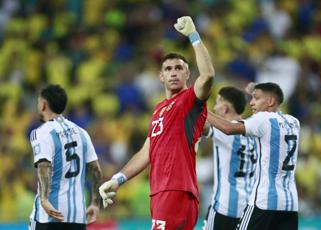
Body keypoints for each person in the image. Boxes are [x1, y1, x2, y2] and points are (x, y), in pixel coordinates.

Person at [99, 16, 215, 230]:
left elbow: (207, 75)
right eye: (168, 69)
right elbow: (147, 152)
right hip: (162, 192)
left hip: (175, 190)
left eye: (179, 68)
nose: (173, 73)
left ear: (188, 74)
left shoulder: (189, 101)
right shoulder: (158, 111)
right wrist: (118, 179)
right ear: (160, 77)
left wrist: (193, 36)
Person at [207, 82, 299, 230]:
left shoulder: (263, 119)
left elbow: (229, 128)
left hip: (264, 201)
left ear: (270, 101)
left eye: (256, 98)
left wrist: (200, 108)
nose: (251, 103)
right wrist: (260, 92)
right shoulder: (294, 122)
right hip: (290, 203)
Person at [28, 84, 102, 230]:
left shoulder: (41, 132)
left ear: (43, 105)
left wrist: (43, 199)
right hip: (78, 215)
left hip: (49, 214)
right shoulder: (82, 133)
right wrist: (95, 202)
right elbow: (96, 170)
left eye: (38, 102)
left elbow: (44, 166)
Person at [202, 87, 257, 230]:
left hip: (224, 207)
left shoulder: (225, 131)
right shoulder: (254, 129)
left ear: (225, 109)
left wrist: (193, 104)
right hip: (249, 207)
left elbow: (202, 126)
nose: (215, 107)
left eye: (218, 102)